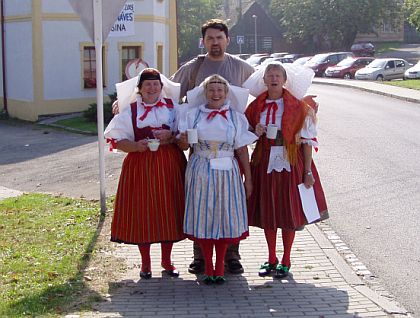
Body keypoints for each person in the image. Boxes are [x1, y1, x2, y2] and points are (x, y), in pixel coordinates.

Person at [171, 18, 255, 275]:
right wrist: (128, 101)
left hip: (232, 144)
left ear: (227, 39)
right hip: (200, 147)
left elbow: (270, 90)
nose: (215, 43)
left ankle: (231, 256)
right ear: (203, 41)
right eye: (210, 38)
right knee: (201, 203)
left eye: (219, 38)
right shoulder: (192, 68)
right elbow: (166, 91)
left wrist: (302, 103)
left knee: (229, 204)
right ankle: (200, 255)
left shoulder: (241, 67)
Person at [243, 63, 328, 278]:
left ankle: (286, 259)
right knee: (268, 209)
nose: (273, 79)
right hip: (263, 160)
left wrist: (307, 171)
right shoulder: (255, 107)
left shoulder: (298, 106)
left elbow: (307, 141)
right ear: (264, 80)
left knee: (288, 210)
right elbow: (243, 133)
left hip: (291, 160)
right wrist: (256, 130)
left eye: (277, 75)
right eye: (269, 75)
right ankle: (271, 258)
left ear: (284, 79)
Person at [104, 68, 186, 279]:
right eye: (147, 85)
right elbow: (117, 140)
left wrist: (171, 135)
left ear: (161, 87)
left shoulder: (173, 108)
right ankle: (145, 263)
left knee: (169, 210)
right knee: (143, 212)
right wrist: (135, 145)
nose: (152, 88)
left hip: (169, 164)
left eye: (155, 84)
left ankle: (167, 262)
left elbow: (184, 138)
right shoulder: (130, 110)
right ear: (139, 89)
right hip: (140, 166)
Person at [177, 74, 257, 284]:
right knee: (204, 215)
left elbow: (241, 150)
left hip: (227, 169)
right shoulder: (193, 115)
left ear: (226, 93)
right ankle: (208, 266)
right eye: (211, 90)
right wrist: (183, 141)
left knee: (223, 216)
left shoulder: (235, 117)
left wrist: (248, 179)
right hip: (201, 167)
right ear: (205, 93)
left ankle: (220, 265)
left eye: (220, 90)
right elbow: (185, 147)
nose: (216, 94)